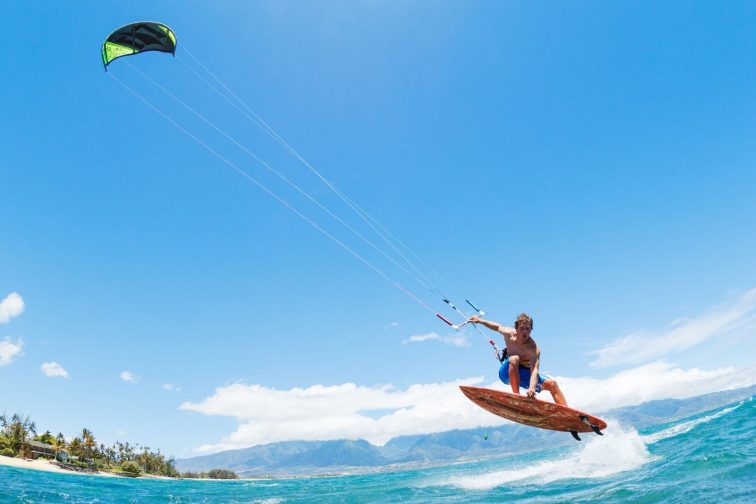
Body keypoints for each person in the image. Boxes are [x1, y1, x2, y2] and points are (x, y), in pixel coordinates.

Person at [470, 312, 567, 406]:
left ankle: (570, 414)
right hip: (506, 373)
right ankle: (516, 396)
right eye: (522, 328)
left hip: (524, 375)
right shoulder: (509, 334)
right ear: (516, 328)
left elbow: (534, 370)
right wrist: (480, 321)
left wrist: (532, 388)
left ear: (531, 330)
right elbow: (498, 327)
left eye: (527, 328)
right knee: (514, 358)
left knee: (552, 384)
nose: (524, 331)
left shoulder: (533, 349)